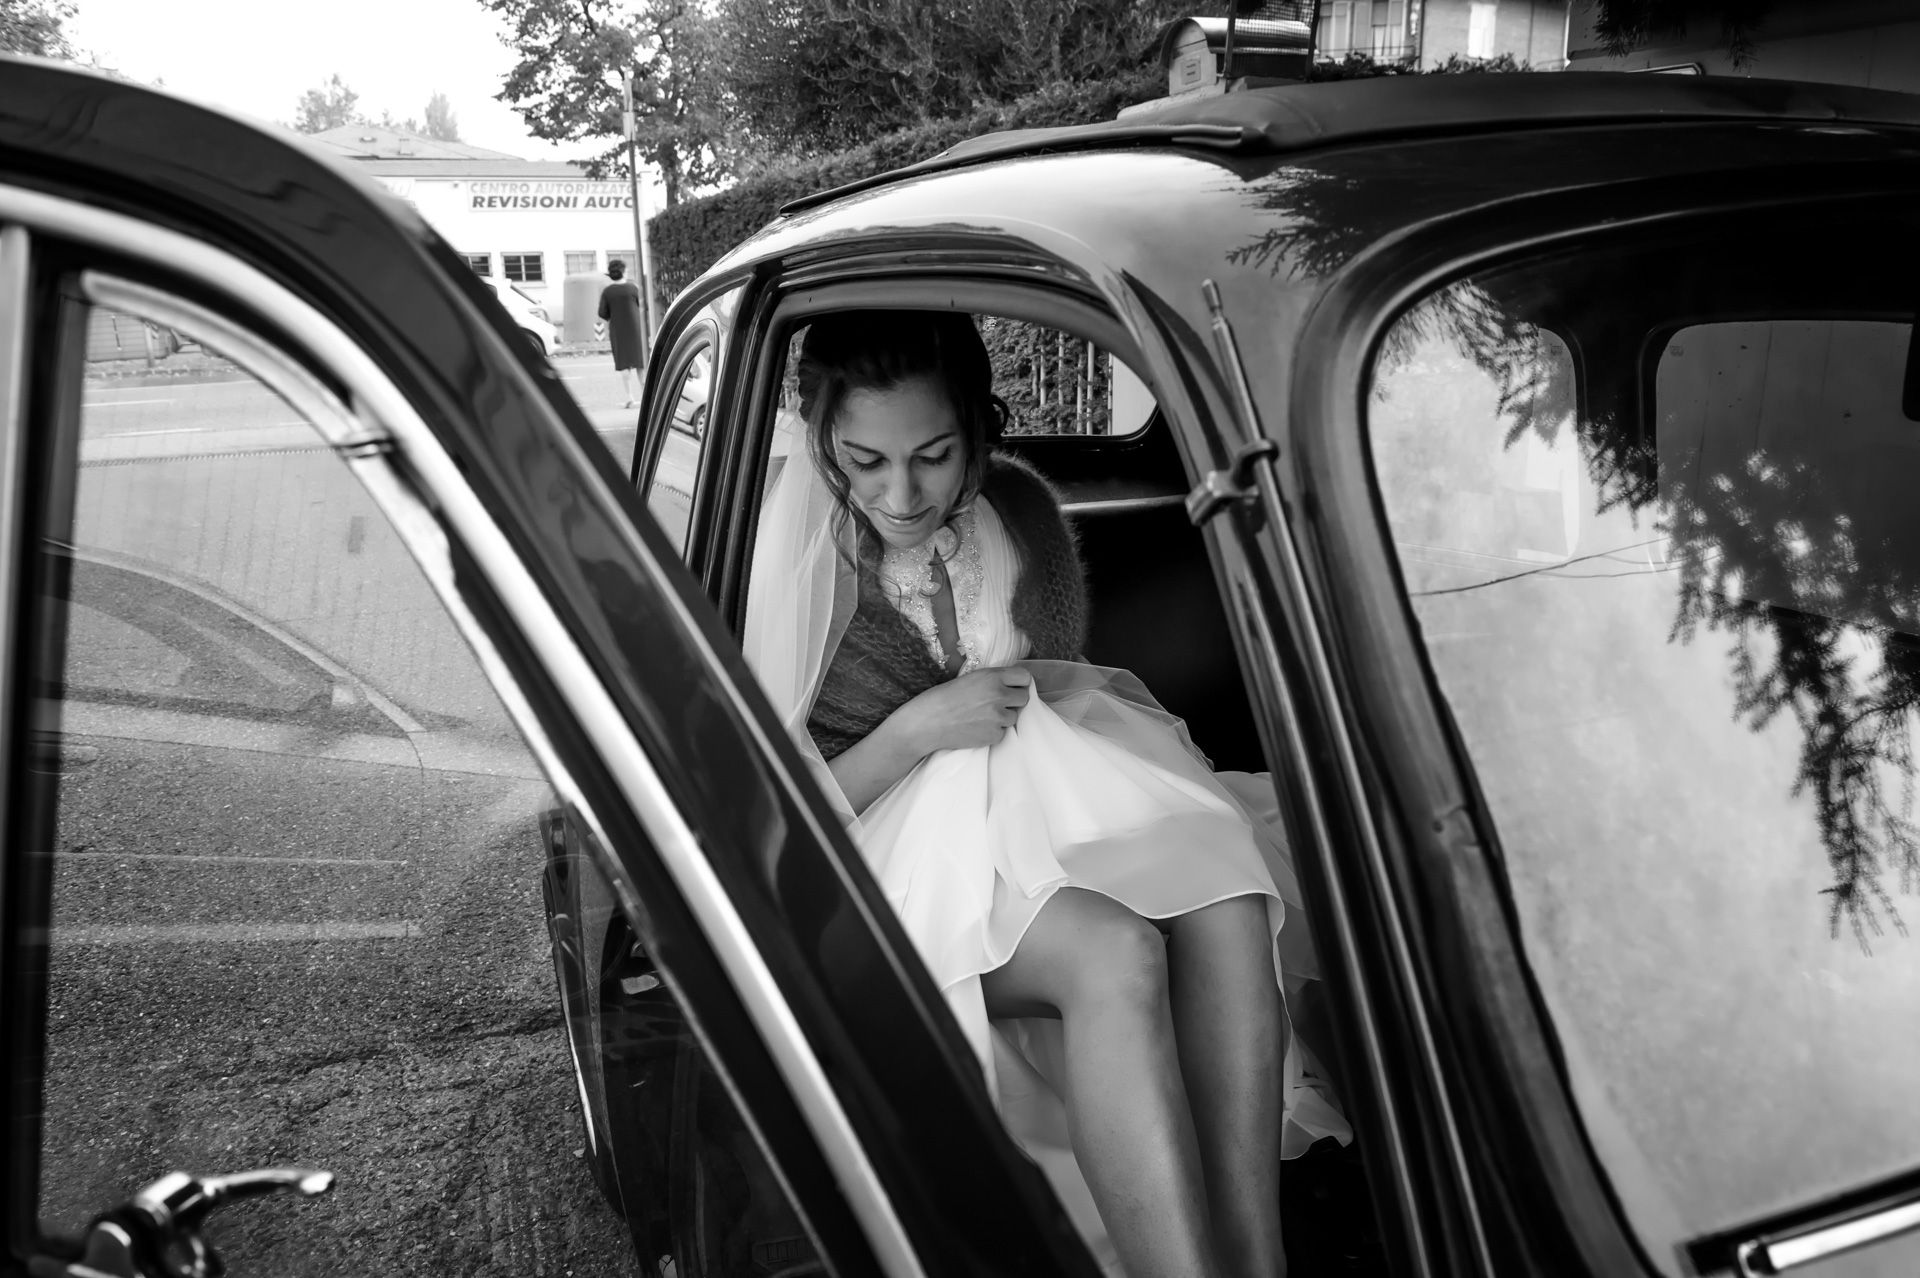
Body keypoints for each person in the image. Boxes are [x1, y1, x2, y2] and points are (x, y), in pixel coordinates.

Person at [743, 311, 1348, 1278]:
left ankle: (1254, 1258)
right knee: (1114, 951)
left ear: (978, 430)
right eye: (864, 461)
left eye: (934, 456)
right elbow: (755, 816)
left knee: (1232, 900)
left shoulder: (1017, 513)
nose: (901, 494)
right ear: (821, 440)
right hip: (877, 849)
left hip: (1040, 805)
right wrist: (911, 732)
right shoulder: (791, 555)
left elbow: (1055, 677)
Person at [596, 259, 646, 407]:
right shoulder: (633, 288)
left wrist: (613, 315)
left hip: (618, 330)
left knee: (624, 363)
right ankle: (645, 396)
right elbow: (642, 306)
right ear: (623, 272)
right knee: (640, 362)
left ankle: (630, 396)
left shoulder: (607, 292)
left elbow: (602, 312)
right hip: (635, 328)